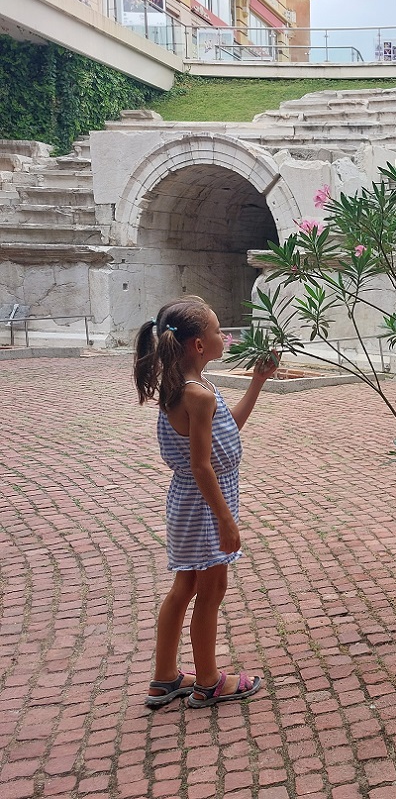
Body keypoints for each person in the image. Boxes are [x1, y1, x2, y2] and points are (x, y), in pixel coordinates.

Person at [133, 296, 277, 708]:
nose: (225, 336)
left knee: (185, 588)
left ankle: (164, 678)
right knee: (211, 590)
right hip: (204, 506)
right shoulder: (199, 395)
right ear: (198, 344)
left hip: (189, 504)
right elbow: (202, 467)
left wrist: (257, 382)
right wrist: (226, 522)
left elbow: (224, 430)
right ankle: (210, 681)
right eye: (217, 330)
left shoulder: (188, 386)